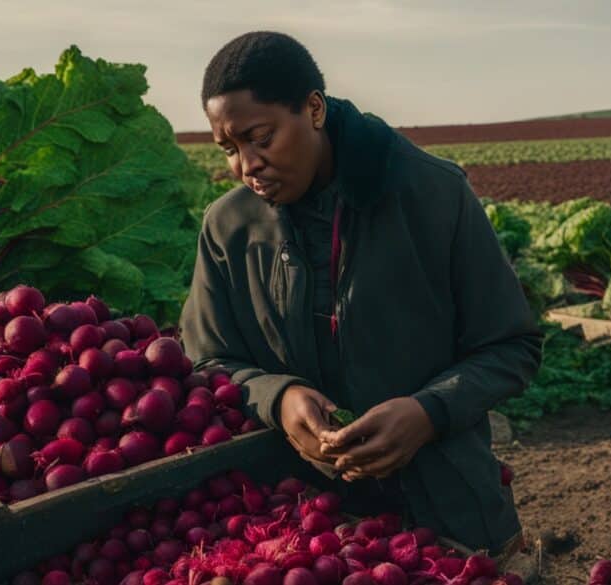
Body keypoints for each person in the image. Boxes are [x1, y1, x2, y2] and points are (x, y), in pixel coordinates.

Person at [179, 31, 543, 556]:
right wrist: (278, 399)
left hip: (449, 510)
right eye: (229, 149)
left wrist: (427, 413)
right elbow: (208, 360)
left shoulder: (432, 194)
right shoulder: (228, 227)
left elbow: (512, 347)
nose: (246, 164)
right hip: (301, 524)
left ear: (314, 109)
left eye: (260, 137)